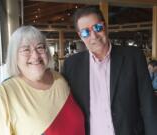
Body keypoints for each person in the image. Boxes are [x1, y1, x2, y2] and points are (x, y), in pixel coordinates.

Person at [62, 6, 157, 135]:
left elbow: (148, 105)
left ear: (105, 26)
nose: (93, 36)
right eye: (86, 32)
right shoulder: (71, 65)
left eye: (97, 27)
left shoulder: (133, 57)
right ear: (80, 36)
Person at [0, 26, 85, 135]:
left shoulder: (60, 79)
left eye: (40, 47)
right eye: (26, 49)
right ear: (14, 57)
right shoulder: (1, 97)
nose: (35, 56)